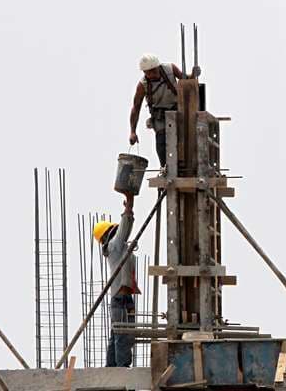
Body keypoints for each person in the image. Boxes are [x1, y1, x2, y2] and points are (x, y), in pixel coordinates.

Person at [93, 193, 140, 367]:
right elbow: (125, 228)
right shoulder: (114, 245)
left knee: (117, 335)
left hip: (121, 298)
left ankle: (111, 369)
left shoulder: (117, 249)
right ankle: (122, 371)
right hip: (121, 299)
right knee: (124, 335)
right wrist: (128, 208)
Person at [129, 54, 198, 168]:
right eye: (148, 72)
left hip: (177, 111)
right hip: (160, 117)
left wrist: (193, 74)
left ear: (158, 67)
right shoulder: (143, 85)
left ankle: (186, 165)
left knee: (185, 137)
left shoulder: (170, 69)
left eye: (153, 71)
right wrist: (133, 131)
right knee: (162, 142)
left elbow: (184, 78)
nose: (151, 74)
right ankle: (165, 168)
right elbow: (136, 108)